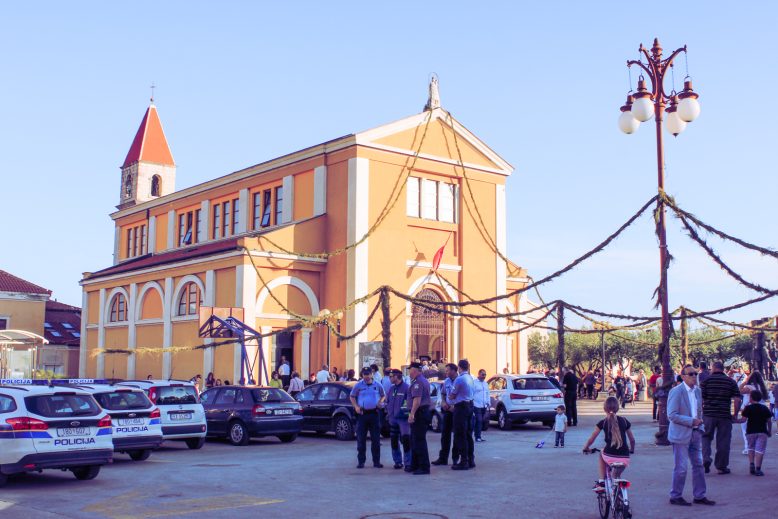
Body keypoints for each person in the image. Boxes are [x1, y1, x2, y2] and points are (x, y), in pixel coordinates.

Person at [668, 365, 715, 506]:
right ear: (683, 376)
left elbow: (699, 410)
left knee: (699, 465)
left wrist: (699, 426)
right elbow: (672, 415)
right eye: (691, 374)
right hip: (680, 435)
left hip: (696, 433)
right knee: (681, 467)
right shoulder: (676, 391)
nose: (694, 376)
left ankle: (699, 495)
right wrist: (691, 421)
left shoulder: (698, 391)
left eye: (695, 374)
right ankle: (675, 495)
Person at [582, 396, 635, 488]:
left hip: (609, 455)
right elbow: (632, 440)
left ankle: (602, 481)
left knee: (601, 453)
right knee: (616, 476)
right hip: (625, 456)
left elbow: (592, 438)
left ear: (604, 408)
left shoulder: (603, 422)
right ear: (617, 408)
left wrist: (585, 447)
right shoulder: (625, 421)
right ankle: (618, 493)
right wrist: (632, 449)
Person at [700, 361, 742, 474]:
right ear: (722, 369)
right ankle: (721, 466)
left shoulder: (706, 381)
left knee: (705, 437)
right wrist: (735, 415)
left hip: (708, 415)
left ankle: (706, 459)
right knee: (723, 440)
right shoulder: (730, 382)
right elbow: (737, 399)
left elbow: (700, 399)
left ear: (713, 368)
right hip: (724, 415)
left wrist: (702, 413)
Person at [349, 367, 386, 469]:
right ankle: (361, 461)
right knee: (361, 439)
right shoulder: (358, 385)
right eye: (364, 374)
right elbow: (352, 396)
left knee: (376, 440)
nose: (366, 376)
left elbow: (383, 395)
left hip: (374, 414)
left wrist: (380, 402)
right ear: (362, 375)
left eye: (368, 374)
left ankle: (376, 462)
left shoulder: (377, 384)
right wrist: (356, 406)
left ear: (372, 374)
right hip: (362, 414)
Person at [448, 359, 475, 470]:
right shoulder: (470, 378)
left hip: (461, 408)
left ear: (459, 368)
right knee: (468, 434)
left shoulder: (459, 379)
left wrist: (450, 396)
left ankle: (464, 461)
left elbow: (452, 395)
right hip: (470, 406)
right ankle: (471, 459)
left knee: (460, 435)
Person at [431, 364, 460, 467]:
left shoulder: (460, 380)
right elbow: (443, 394)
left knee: (457, 436)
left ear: (454, 370)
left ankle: (455, 458)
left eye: (447, 370)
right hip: (447, 410)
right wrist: (443, 402)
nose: (446, 372)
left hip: (457, 411)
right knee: (445, 435)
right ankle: (443, 458)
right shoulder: (447, 381)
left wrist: (455, 406)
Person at [407, 361, 432, 475]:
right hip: (421, 412)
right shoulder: (422, 380)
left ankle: (424, 467)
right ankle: (415, 464)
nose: (409, 372)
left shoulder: (418, 382)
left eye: (410, 370)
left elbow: (417, 401)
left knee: (419, 440)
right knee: (415, 439)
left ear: (415, 370)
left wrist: (412, 414)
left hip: (419, 413)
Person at [385, 369, 412, 470]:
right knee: (394, 441)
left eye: (391, 376)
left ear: (396, 376)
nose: (390, 378)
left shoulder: (406, 388)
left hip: (403, 420)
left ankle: (408, 463)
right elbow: (388, 401)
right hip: (393, 419)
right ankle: (397, 462)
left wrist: (404, 413)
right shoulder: (391, 389)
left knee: (406, 441)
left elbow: (409, 403)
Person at [741, 390, 772, 476]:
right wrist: (769, 430)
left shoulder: (748, 408)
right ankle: (758, 469)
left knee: (751, 447)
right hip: (762, 431)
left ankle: (751, 464)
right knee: (760, 450)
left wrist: (734, 420)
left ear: (751, 398)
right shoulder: (764, 408)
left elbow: (743, 420)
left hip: (750, 431)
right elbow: (769, 421)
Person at [738, 370, 768, 455]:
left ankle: (748, 448)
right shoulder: (762, 387)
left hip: (749, 410)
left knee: (746, 430)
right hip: (761, 410)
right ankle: (757, 448)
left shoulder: (749, 387)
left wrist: (745, 381)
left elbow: (739, 390)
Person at [472, 369, 489, 442]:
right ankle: (477, 437)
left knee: (481, 421)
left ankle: (478, 436)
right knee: (479, 420)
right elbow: (471, 394)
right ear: (478, 374)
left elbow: (487, 394)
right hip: (476, 405)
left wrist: (488, 402)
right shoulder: (474, 383)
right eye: (482, 374)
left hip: (484, 405)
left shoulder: (486, 383)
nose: (484, 376)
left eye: (485, 375)